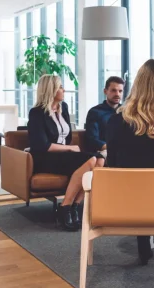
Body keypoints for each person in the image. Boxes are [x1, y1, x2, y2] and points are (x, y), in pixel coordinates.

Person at [106, 59, 154, 265]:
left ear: (138, 84)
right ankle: (144, 234)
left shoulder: (118, 119)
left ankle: (142, 234)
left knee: (132, 176)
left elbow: (112, 164)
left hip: (124, 202)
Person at [28, 74, 104, 232]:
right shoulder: (36, 113)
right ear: (51, 90)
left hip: (63, 155)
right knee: (91, 160)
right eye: (61, 87)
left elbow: (67, 137)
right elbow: (42, 145)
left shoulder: (64, 109)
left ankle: (76, 205)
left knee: (100, 160)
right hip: (45, 157)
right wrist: (70, 148)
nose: (64, 90)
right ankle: (65, 207)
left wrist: (69, 148)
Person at [84, 76, 125, 155]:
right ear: (105, 91)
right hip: (103, 152)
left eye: (120, 91)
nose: (117, 94)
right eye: (113, 90)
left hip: (124, 153)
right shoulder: (95, 112)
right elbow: (92, 139)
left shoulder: (126, 112)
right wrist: (112, 148)